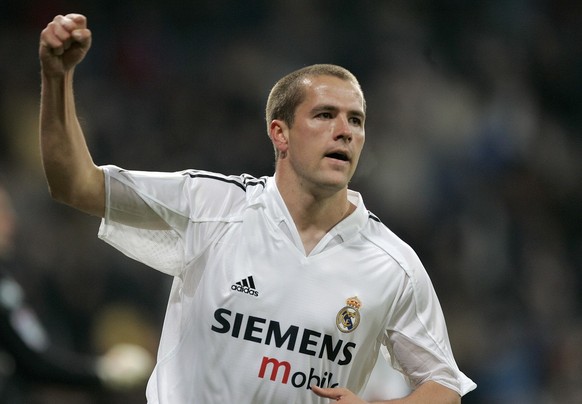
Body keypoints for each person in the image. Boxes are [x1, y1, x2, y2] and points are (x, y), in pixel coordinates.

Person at [38, 13, 476, 403]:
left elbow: (443, 386)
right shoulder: (210, 206)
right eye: (325, 115)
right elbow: (75, 184)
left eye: (356, 120)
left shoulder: (392, 264)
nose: (344, 131)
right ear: (279, 134)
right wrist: (57, 78)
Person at [0, 184, 153, 402]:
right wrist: (102, 372)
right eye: (2, 212)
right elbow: (33, 363)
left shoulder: (5, 281)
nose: (11, 221)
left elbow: (33, 359)